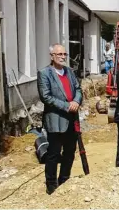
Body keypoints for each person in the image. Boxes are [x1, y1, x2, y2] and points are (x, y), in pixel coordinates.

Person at [37, 44, 83, 194]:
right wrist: (66, 106)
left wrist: (76, 101)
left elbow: (78, 88)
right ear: (52, 56)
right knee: (54, 153)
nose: (63, 57)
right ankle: (51, 184)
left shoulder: (69, 71)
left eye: (65, 54)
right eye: (59, 54)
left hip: (72, 119)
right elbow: (46, 97)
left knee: (70, 151)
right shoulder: (44, 73)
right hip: (56, 120)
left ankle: (64, 179)